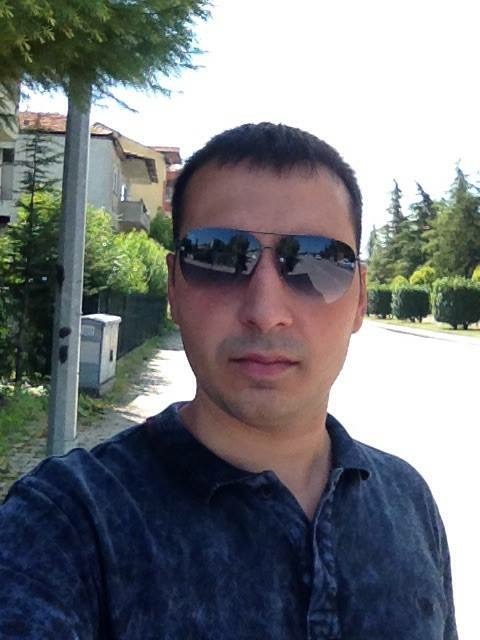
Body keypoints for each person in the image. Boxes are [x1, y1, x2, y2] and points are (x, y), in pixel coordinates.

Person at [0, 123, 457, 639]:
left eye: (316, 262)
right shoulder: (67, 525)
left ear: (360, 299)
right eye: (218, 255)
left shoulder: (409, 502)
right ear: (173, 287)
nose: (266, 312)